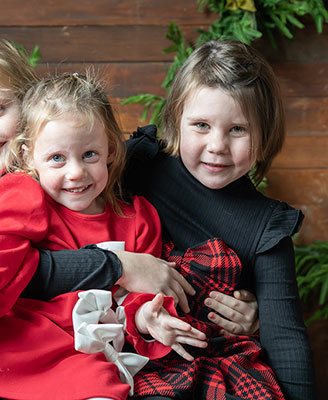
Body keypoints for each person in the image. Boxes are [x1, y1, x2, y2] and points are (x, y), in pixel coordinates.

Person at [0, 72, 211, 400]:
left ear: (110, 149)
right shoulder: (20, 192)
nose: (75, 172)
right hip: (14, 333)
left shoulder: (137, 217)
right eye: (57, 159)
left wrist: (151, 318)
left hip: (76, 352)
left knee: (105, 393)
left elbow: (138, 298)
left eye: (89, 155)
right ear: (27, 157)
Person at [119, 40, 316, 399]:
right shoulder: (138, 166)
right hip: (132, 355)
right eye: (201, 125)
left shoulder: (267, 226)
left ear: (264, 133)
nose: (217, 145)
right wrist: (119, 262)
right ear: (176, 119)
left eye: (237, 130)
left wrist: (258, 324)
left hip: (214, 368)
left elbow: (287, 340)